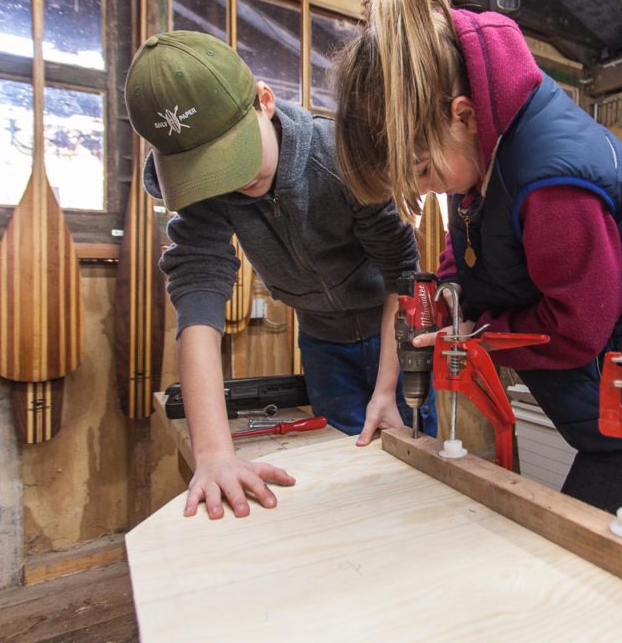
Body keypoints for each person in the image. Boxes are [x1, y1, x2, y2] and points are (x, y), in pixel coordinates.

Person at [332, 0, 622, 545]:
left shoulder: (552, 181)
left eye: (421, 170)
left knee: (587, 564)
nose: (423, 189)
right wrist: (448, 304)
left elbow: (576, 328)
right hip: (612, 415)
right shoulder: (485, 148)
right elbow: (467, 244)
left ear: (461, 114)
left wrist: (477, 332)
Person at [125, 30, 435, 520]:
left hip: (391, 336)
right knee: (342, 478)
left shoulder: (340, 158)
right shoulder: (203, 194)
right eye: (211, 171)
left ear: (264, 102)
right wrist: (212, 454)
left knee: (415, 478)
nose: (232, 182)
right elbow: (198, 293)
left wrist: (384, 390)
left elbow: (402, 273)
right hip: (320, 342)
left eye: (235, 158)